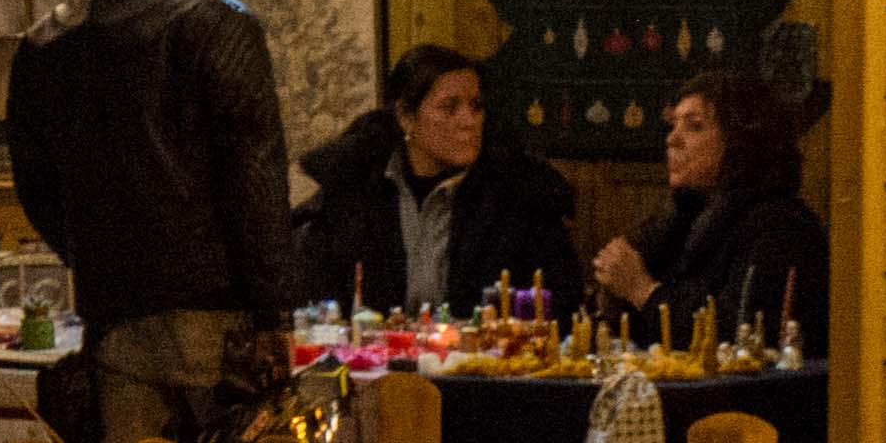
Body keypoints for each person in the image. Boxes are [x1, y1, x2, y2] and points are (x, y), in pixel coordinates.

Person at [8, 0, 297, 443]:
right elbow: (255, 178)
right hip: (215, 319)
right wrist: (273, 314)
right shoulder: (216, 21)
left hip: (112, 319)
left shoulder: (45, 41)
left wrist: (95, 249)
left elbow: (34, 184)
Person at [294, 44, 580, 317]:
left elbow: (558, 300)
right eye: (449, 107)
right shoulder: (355, 192)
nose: (469, 121)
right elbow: (315, 299)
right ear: (406, 117)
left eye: (476, 106)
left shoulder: (518, 197)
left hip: (478, 362)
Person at [593, 73, 827, 360]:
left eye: (694, 127)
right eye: (672, 125)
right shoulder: (683, 219)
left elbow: (737, 336)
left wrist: (643, 290)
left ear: (740, 141)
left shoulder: (779, 227)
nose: (672, 139)